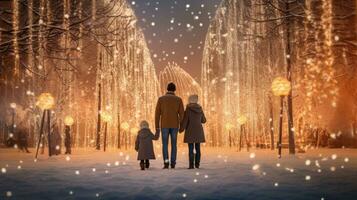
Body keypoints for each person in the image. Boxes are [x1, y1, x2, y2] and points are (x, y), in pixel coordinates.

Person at [155, 82, 184, 169]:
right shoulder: (178, 100)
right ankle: (173, 163)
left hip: (164, 125)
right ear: (174, 89)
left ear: (167, 89)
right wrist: (180, 124)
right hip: (175, 125)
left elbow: (157, 114)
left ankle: (166, 162)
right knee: (174, 145)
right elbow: (182, 115)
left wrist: (157, 126)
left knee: (165, 144)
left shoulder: (161, 99)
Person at [180, 94, 206, 169]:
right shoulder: (200, 109)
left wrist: (181, 129)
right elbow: (204, 120)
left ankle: (191, 165)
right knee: (198, 148)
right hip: (198, 131)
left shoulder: (188, 109)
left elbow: (185, 121)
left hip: (190, 131)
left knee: (191, 149)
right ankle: (197, 164)